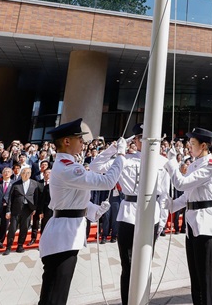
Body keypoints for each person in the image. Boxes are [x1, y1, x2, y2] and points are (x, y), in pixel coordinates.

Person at [38, 119, 124, 305]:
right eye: (79, 138)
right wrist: (121, 156)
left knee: (58, 292)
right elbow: (107, 182)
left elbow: (72, 199)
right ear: (67, 141)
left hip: (66, 232)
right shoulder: (68, 168)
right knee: (54, 295)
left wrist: (92, 209)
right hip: (63, 236)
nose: (83, 142)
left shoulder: (69, 165)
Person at [88, 123, 168, 305]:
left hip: (152, 214)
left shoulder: (162, 161)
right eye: (141, 138)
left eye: (148, 138)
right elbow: (95, 166)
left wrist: (162, 220)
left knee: (146, 263)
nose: (145, 142)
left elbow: (164, 194)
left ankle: (142, 300)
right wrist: (115, 148)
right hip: (128, 214)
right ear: (136, 141)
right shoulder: (125, 159)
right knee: (128, 264)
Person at [165, 128, 212, 305]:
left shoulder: (209, 165)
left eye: (193, 143)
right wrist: (170, 205)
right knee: (195, 278)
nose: (189, 146)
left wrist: (173, 162)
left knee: (205, 278)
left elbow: (181, 184)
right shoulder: (195, 163)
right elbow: (186, 196)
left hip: (205, 225)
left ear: (203, 145)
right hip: (193, 224)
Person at [5, 165, 41, 254]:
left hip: (28, 209)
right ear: (21, 174)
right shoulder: (15, 184)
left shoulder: (35, 184)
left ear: (31, 174)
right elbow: (10, 198)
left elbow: (36, 197)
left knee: (24, 228)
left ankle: (20, 245)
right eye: (24, 172)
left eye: (28, 173)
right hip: (16, 209)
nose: (26, 174)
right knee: (12, 229)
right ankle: (8, 247)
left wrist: (35, 209)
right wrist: (8, 210)